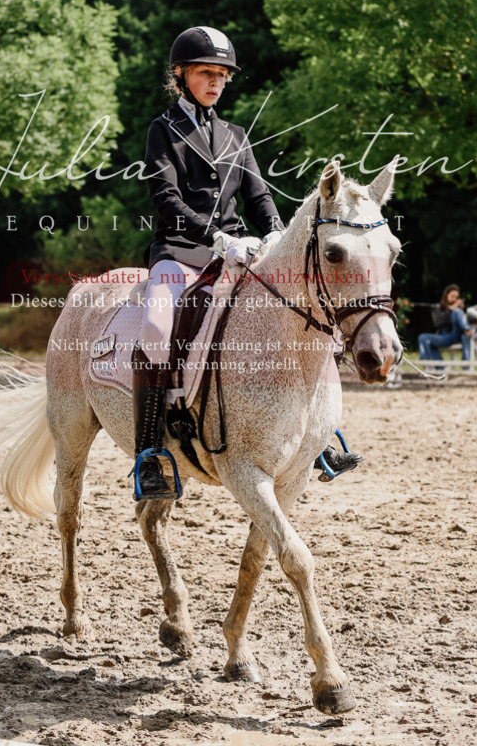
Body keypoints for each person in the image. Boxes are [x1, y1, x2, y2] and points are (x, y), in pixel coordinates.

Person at [133, 25, 361, 499]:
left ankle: (318, 437)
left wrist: (275, 231)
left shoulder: (235, 135)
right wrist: (215, 236)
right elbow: (167, 199)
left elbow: (258, 195)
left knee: (305, 309)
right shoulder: (162, 130)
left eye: (222, 75)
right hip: (180, 251)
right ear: (181, 75)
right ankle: (149, 453)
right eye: (205, 73)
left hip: (241, 251)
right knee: (155, 328)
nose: (215, 82)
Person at [418, 284, 473, 361]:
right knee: (422, 337)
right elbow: (437, 323)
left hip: (457, 334)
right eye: (452, 296)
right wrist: (450, 309)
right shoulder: (437, 307)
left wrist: (461, 310)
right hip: (444, 336)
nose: (454, 299)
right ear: (446, 295)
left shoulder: (457, 310)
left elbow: (463, 321)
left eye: (456, 297)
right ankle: (434, 365)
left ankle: (467, 329)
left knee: (457, 311)